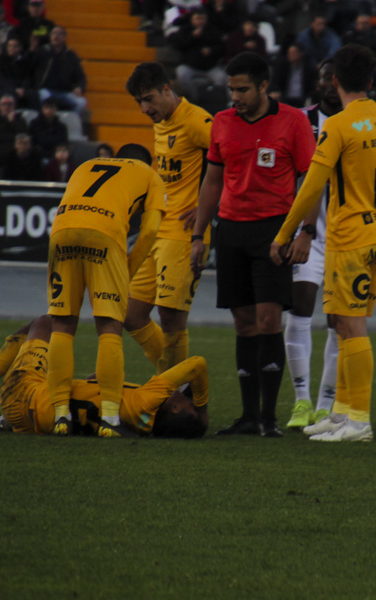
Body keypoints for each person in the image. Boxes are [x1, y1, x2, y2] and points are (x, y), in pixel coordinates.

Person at [270, 43, 376, 443]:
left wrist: (283, 235)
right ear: (371, 81)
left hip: (350, 238)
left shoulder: (338, 126)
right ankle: (342, 412)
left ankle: (358, 420)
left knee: (351, 326)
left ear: (336, 81)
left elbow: (311, 187)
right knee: (344, 325)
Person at [190, 51, 316, 437]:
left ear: (264, 86)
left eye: (243, 89)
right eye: (231, 89)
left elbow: (312, 181)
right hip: (230, 231)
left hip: (273, 232)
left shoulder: (293, 121)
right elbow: (212, 181)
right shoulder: (223, 123)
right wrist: (199, 235)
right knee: (243, 324)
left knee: (268, 320)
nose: (235, 97)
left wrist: (306, 232)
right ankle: (248, 419)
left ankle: (269, 418)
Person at [45, 143, 165, 436]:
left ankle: (60, 414)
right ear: (146, 161)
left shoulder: (85, 165)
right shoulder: (150, 174)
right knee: (110, 326)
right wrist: (128, 269)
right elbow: (149, 231)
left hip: (62, 232)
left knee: (62, 323)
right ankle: (110, 418)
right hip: (104, 234)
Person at [0, 315, 209, 438]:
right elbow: (94, 388)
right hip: (32, 424)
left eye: (186, 401)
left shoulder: (146, 399)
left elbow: (197, 364)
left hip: (22, 393)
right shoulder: (141, 423)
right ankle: (6, 418)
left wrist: (203, 406)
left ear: (175, 407)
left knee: (45, 322)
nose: (183, 394)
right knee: (97, 381)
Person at [124, 62, 213, 375]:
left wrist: (207, 208)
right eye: (139, 103)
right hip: (158, 228)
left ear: (167, 89)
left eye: (149, 98)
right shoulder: (161, 121)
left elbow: (233, 158)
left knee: (171, 317)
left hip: (184, 232)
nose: (145, 108)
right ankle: (179, 382)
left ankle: (173, 394)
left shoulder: (197, 120)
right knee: (131, 315)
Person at [282, 58, 342, 430]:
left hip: (348, 235)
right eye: (323, 79)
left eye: (335, 80)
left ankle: (326, 404)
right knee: (300, 308)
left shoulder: (359, 122)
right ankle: (301, 401)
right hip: (309, 231)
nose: (329, 85)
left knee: (339, 320)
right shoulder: (299, 120)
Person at [32, 26, 87, 112]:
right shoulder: (42, 51)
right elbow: (30, 69)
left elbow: (80, 76)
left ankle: (70, 123)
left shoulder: (70, 55)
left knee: (81, 102)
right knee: (44, 97)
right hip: (46, 90)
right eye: (54, 33)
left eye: (59, 34)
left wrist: (79, 87)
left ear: (65, 37)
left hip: (64, 92)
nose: (56, 36)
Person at [0, 93, 28, 170]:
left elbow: (22, 136)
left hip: (16, 150)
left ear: (14, 106)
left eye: (9, 104)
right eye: (4, 104)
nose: (6, 107)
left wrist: (12, 123)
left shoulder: (20, 120)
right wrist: (7, 123)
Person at [26, 96, 67, 162]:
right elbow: (33, 141)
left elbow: (63, 143)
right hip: (38, 156)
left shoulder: (61, 126)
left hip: (55, 156)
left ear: (56, 109)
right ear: (42, 109)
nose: (49, 110)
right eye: (47, 107)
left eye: (52, 108)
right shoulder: (34, 124)